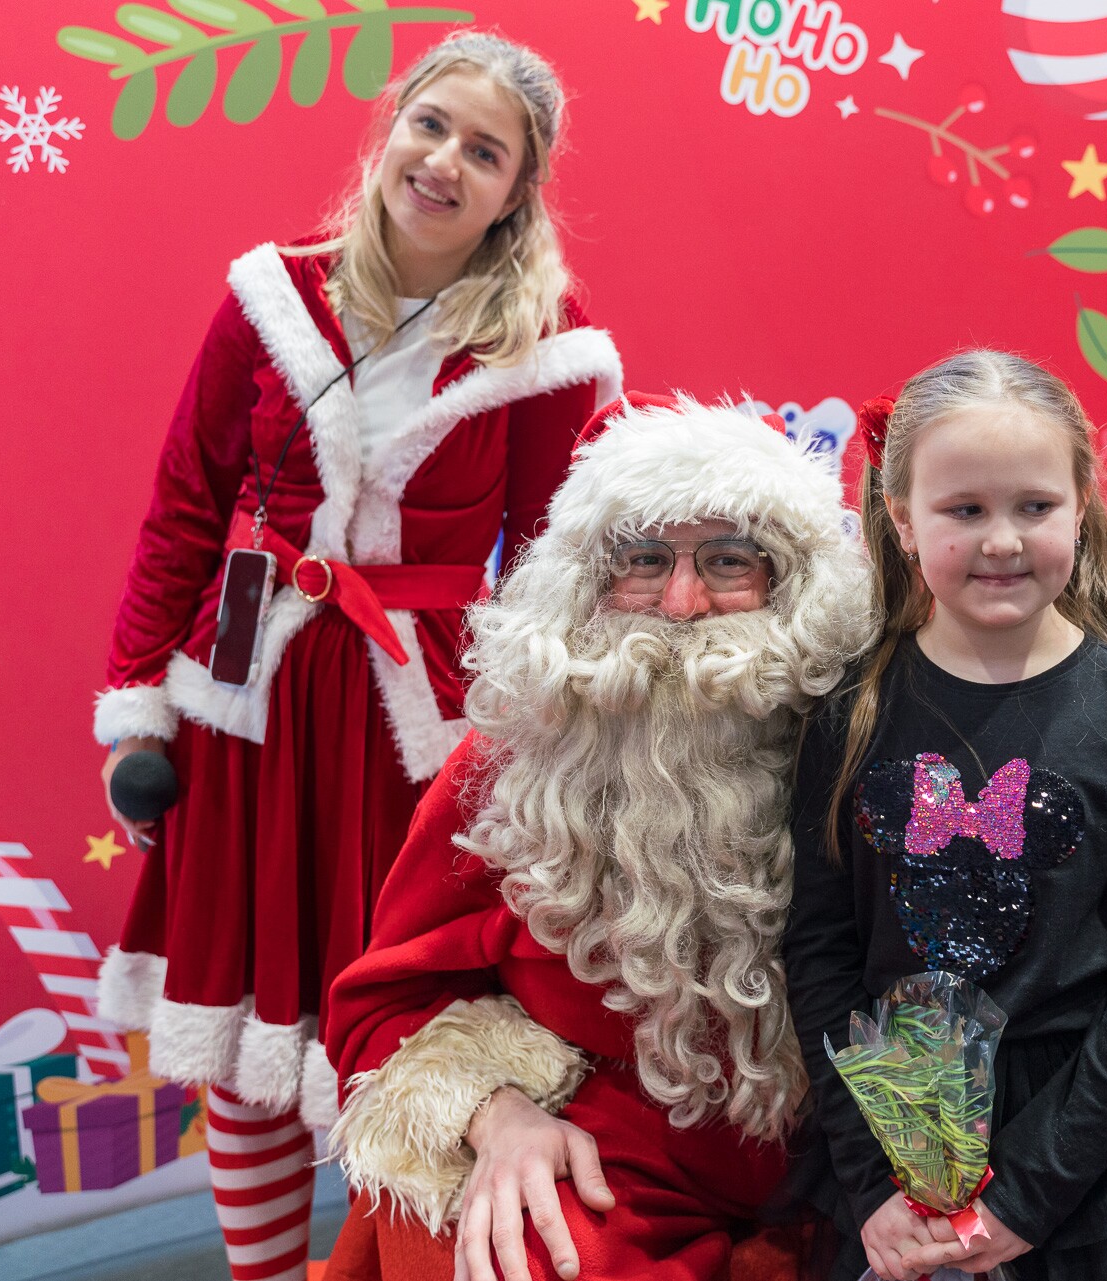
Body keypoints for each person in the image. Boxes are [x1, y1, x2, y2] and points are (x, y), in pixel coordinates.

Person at [90, 32, 622, 1281]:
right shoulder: (271, 293)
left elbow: (553, 568)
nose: (444, 162)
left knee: (396, 1032)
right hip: (248, 707)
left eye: (484, 151)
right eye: (430, 126)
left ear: (516, 192)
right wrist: (139, 706)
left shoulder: (546, 341)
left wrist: (553, 755)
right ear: (391, 130)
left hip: (410, 734)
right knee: (240, 1035)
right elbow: (185, 506)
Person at [321, 392, 877, 1281]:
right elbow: (378, 1007)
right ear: (583, 580)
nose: (683, 603)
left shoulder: (857, 736)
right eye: (643, 559)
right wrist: (497, 1111)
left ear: (791, 579)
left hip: (842, 1158)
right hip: (608, 1151)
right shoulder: (508, 763)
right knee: (499, 1251)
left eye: (728, 559)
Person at [783, 350, 1107, 1281]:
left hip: (1102, 1139)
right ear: (902, 519)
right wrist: (872, 1183)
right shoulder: (849, 713)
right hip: (904, 1131)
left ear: (1081, 506)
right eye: (964, 510)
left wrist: (1027, 1192)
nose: (1002, 540)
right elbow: (820, 954)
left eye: (1034, 505)